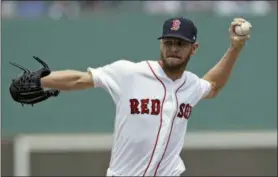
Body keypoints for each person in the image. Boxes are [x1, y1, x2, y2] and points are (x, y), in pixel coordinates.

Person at [10, 17, 252, 176]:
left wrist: (234, 48)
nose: (173, 49)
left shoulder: (190, 85)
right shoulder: (131, 73)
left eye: (180, 43)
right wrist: (42, 81)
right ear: (161, 44)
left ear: (193, 48)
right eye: (168, 42)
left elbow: (213, 85)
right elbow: (81, 79)